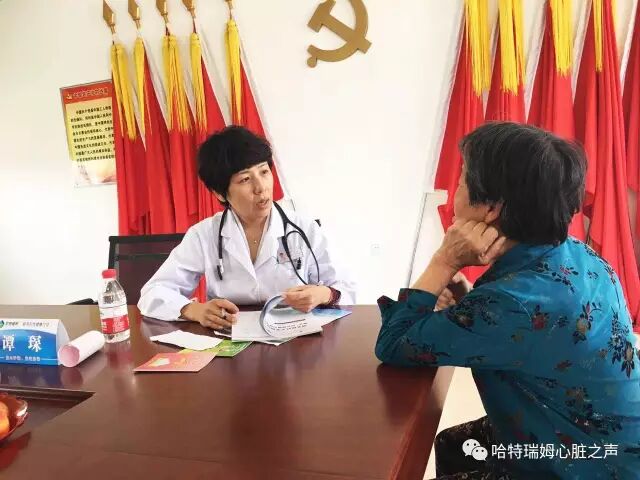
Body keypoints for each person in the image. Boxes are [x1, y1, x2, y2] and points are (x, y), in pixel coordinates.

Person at [375, 122, 639, 479]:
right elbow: (532, 333)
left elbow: (393, 343)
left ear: (491, 207)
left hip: (587, 462)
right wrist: (472, 299)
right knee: (454, 443)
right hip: (612, 437)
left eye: (461, 181)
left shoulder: (512, 304)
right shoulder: (579, 254)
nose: (454, 193)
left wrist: (444, 261)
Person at [139, 126, 355, 329]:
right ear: (220, 193)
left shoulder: (304, 229)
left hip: (295, 338)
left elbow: (346, 288)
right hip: (229, 336)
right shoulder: (203, 235)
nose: (261, 187)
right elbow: (153, 293)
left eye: (264, 172)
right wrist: (193, 310)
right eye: (244, 179)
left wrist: (323, 294)